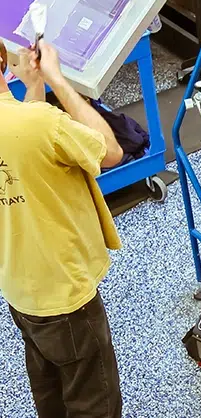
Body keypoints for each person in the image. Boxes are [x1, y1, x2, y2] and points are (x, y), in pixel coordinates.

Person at [0, 39, 125, 418]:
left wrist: (33, 86)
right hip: (66, 294)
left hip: (21, 289)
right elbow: (110, 150)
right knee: (93, 402)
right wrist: (57, 80)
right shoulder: (41, 123)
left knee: (50, 392)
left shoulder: (28, 123)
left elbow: (26, 146)